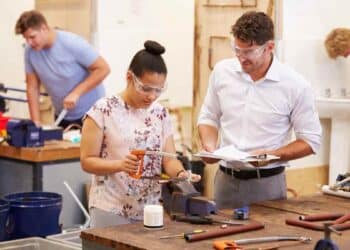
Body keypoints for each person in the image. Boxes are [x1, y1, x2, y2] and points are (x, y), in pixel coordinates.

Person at [197, 11, 322, 209]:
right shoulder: (222, 72)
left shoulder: (295, 85)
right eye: (237, 50)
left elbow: (311, 141)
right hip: (225, 181)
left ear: (269, 47)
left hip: (267, 184)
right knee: (220, 237)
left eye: (249, 52)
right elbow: (209, 116)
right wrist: (209, 146)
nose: (241, 58)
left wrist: (272, 155)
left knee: (267, 239)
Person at [80, 40, 201, 227]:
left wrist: (181, 174)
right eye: (145, 88)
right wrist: (120, 165)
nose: (151, 96)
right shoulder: (103, 110)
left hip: (150, 208)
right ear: (129, 77)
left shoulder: (159, 113)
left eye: (158, 90)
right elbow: (87, 161)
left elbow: (168, 159)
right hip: (110, 207)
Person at [15, 10, 110, 128]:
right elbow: (32, 87)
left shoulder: (72, 43)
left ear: (43, 28)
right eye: (26, 39)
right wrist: (36, 123)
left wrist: (77, 92)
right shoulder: (30, 51)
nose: (29, 42)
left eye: (32, 37)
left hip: (93, 113)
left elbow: (103, 68)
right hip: (63, 115)